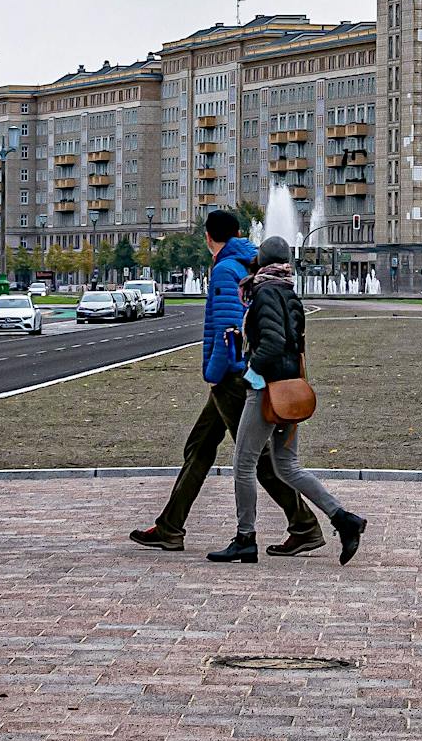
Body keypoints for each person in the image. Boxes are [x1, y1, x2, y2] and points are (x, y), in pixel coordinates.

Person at [129, 211, 321, 555]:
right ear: (237, 232)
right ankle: (170, 526)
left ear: (208, 237)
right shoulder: (247, 262)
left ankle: (305, 525)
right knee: (199, 447)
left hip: (231, 377)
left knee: (257, 460)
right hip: (236, 374)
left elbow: (229, 329)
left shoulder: (224, 269)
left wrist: (217, 374)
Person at [209, 236, 367, 566]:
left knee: (243, 464)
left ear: (263, 261)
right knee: (287, 466)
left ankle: (245, 538)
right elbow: (290, 342)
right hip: (291, 389)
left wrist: (253, 369)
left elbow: (274, 342)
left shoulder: (264, 292)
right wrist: (244, 339)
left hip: (267, 390)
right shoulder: (289, 292)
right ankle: (343, 519)